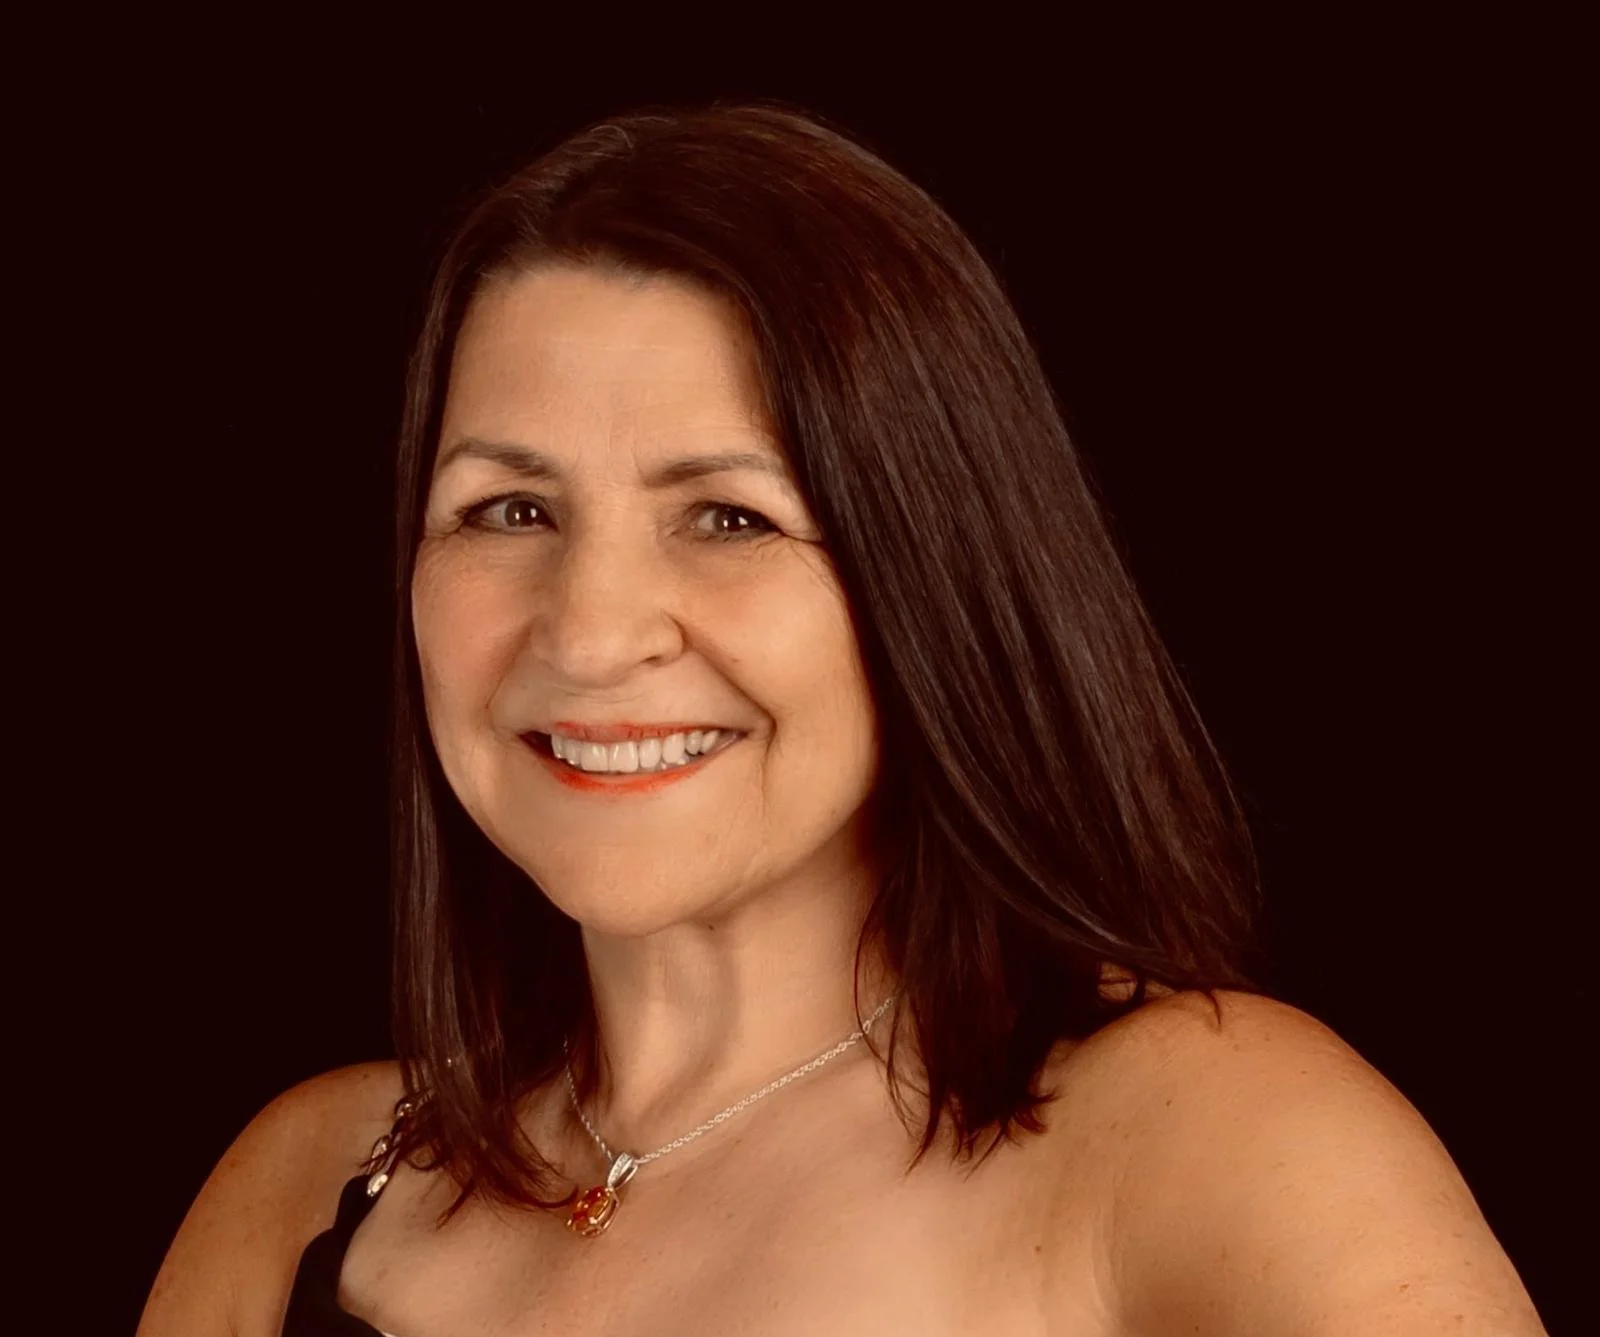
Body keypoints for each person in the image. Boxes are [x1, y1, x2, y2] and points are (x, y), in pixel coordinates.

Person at [138, 101, 1545, 1336]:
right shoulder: (306, 1193)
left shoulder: (1209, 1136)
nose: (590, 630)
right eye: (510, 511)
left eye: (730, 516)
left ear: (935, 578)